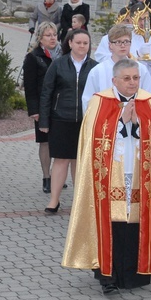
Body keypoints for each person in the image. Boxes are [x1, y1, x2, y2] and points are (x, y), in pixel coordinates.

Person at [62, 59, 151, 294]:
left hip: (139, 172)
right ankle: (107, 276)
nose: (132, 83)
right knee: (112, 222)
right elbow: (93, 134)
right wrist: (120, 122)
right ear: (114, 80)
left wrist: (140, 123)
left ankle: (133, 276)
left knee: (135, 222)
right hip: (109, 175)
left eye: (135, 78)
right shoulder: (100, 101)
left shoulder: (149, 100)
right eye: (127, 79)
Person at [39, 29, 97, 213]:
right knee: (61, 160)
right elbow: (47, 92)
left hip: (86, 121)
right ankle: (54, 200)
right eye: (78, 42)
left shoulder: (95, 67)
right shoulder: (58, 64)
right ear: (70, 43)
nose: (82, 46)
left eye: (85, 43)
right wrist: (44, 121)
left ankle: (79, 202)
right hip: (61, 119)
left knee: (79, 161)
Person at [22, 21, 62, 193]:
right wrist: (34, 110)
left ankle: (57, 174)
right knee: (45, 142)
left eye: (54, 35)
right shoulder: (33, 57)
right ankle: (46, 177)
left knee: (59, 143)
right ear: (40, 38)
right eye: (48, 35)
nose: (52, 38)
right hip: (42, 106)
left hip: (61, 106)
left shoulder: (63, 55)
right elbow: (30, 87)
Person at [81, 24, 151, 113]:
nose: (122, 45)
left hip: (135, 118)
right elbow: (88, 100)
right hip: (106, 120)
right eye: (118, 42)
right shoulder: (98, 71)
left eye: (126, 41)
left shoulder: (140, 69)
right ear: (110, 46)